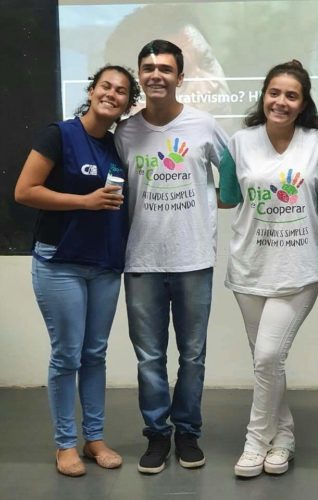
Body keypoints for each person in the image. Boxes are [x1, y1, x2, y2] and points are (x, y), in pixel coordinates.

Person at [14, 65, 140, 477]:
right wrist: (84, 202)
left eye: (121, 91)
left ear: (127, 104)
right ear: (91, 90)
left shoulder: (118, 146)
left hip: (104, 264)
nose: (111, 94)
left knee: (94, 354)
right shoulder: (60, 135)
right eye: (106, 86)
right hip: (60, 263)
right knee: (67, 354)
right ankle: (65, 444)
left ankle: (95, 439)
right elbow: (24, 191)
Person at [114, 39, 228, 474]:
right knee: (149, 358)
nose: (156, 75)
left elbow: (233, 175)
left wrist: (213, 204)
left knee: (193, 355)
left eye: (165, 68)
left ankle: (188, 433)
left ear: (180, 77)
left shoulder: (204, 125)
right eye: (148, 68)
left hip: (193, 259)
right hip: (140, 261)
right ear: (140, 76)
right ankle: (157, 435)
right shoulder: (125, 133)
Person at [218, 60, 318, 478]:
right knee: (267, 363)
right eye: (274, 92)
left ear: (303, 103)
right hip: (249, 268)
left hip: (298, 270)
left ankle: (255, 442)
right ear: (263, 95)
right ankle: (282, 438)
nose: (281, 101)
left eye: (291, 95)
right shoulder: (239, 142)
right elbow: (227, 196)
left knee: (268, 356)